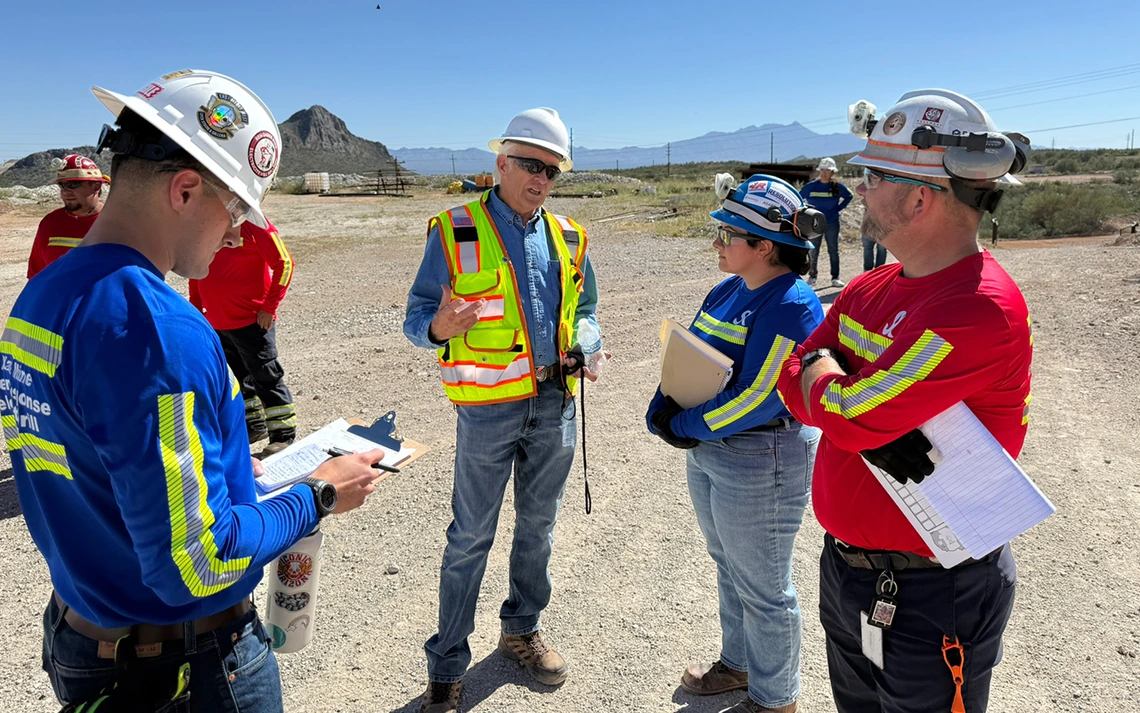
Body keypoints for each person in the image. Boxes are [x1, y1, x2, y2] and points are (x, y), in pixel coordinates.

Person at [1, 69, 384, 712]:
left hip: (85, 630)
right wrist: (318, 495)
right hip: (184, 663)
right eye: (234, 208)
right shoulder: (157, 329)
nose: (236, 233)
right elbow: (196, 566)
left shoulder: (45, 293)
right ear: (184, 190)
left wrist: (235, 475)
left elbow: (104, 463)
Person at [775, 89, 1032, 713]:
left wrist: (830, 384)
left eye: (872, 176)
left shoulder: (975, 308)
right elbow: (790, 369)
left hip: (930, 591)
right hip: (849, 572)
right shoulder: (870, 286)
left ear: (920, 197)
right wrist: (834, 388)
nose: (859, 190)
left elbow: (854, 417)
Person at [403, 107, 601, 713]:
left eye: (552, 169)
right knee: (470, 538)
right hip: (487, 410)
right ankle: (447, 662)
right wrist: (436, 325)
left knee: (538, 529)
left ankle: (521, 630)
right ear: (501, 164)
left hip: (554, 404)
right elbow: (415, 319)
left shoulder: (569, 237)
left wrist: (588, 341)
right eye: (530, 165)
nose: (541, 178)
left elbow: (588, 309)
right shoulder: (454, 229)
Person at [646, 175, 824, 713]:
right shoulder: (727, 290)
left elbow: (761, 399)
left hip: (759, 456)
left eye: (727, 235)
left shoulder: (792, 304)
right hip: (713, 452)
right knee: (729, 563)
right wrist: (665, 401)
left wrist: (685, 426)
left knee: (765, 585)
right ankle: (739, 666)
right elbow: (691, 354)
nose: (717, 244)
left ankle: (775, 701)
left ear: (765, 246)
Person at [189, 219, 298, 454]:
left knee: (266, 377)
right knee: (236, 380)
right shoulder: (207, 220)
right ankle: (253, 426)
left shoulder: (254, 223)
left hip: (252, 321)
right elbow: (198, 270)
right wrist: (196, 309)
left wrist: (270, 307)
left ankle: (283, 435)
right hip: (217, 321)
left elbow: (285, 263)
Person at [26, 154, 109, 278]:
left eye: (74, 184)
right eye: (62, 185)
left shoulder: (114, 222)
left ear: (96, 186)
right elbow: (37, 275)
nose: (65, 191)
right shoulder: (50, 222)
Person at [799, 157, 852, 288]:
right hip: (814, 224)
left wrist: (838, 208)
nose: (824, 173)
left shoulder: (837, 187)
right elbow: (799, 198)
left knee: (833, 250)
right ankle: (812, 276)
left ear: (832, 172)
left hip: (832, 222)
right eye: (822, 170)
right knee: (813, 251)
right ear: (819, 171)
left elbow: (849, 196)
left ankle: (835, 277)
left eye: (827, 171)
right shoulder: (811, 187)